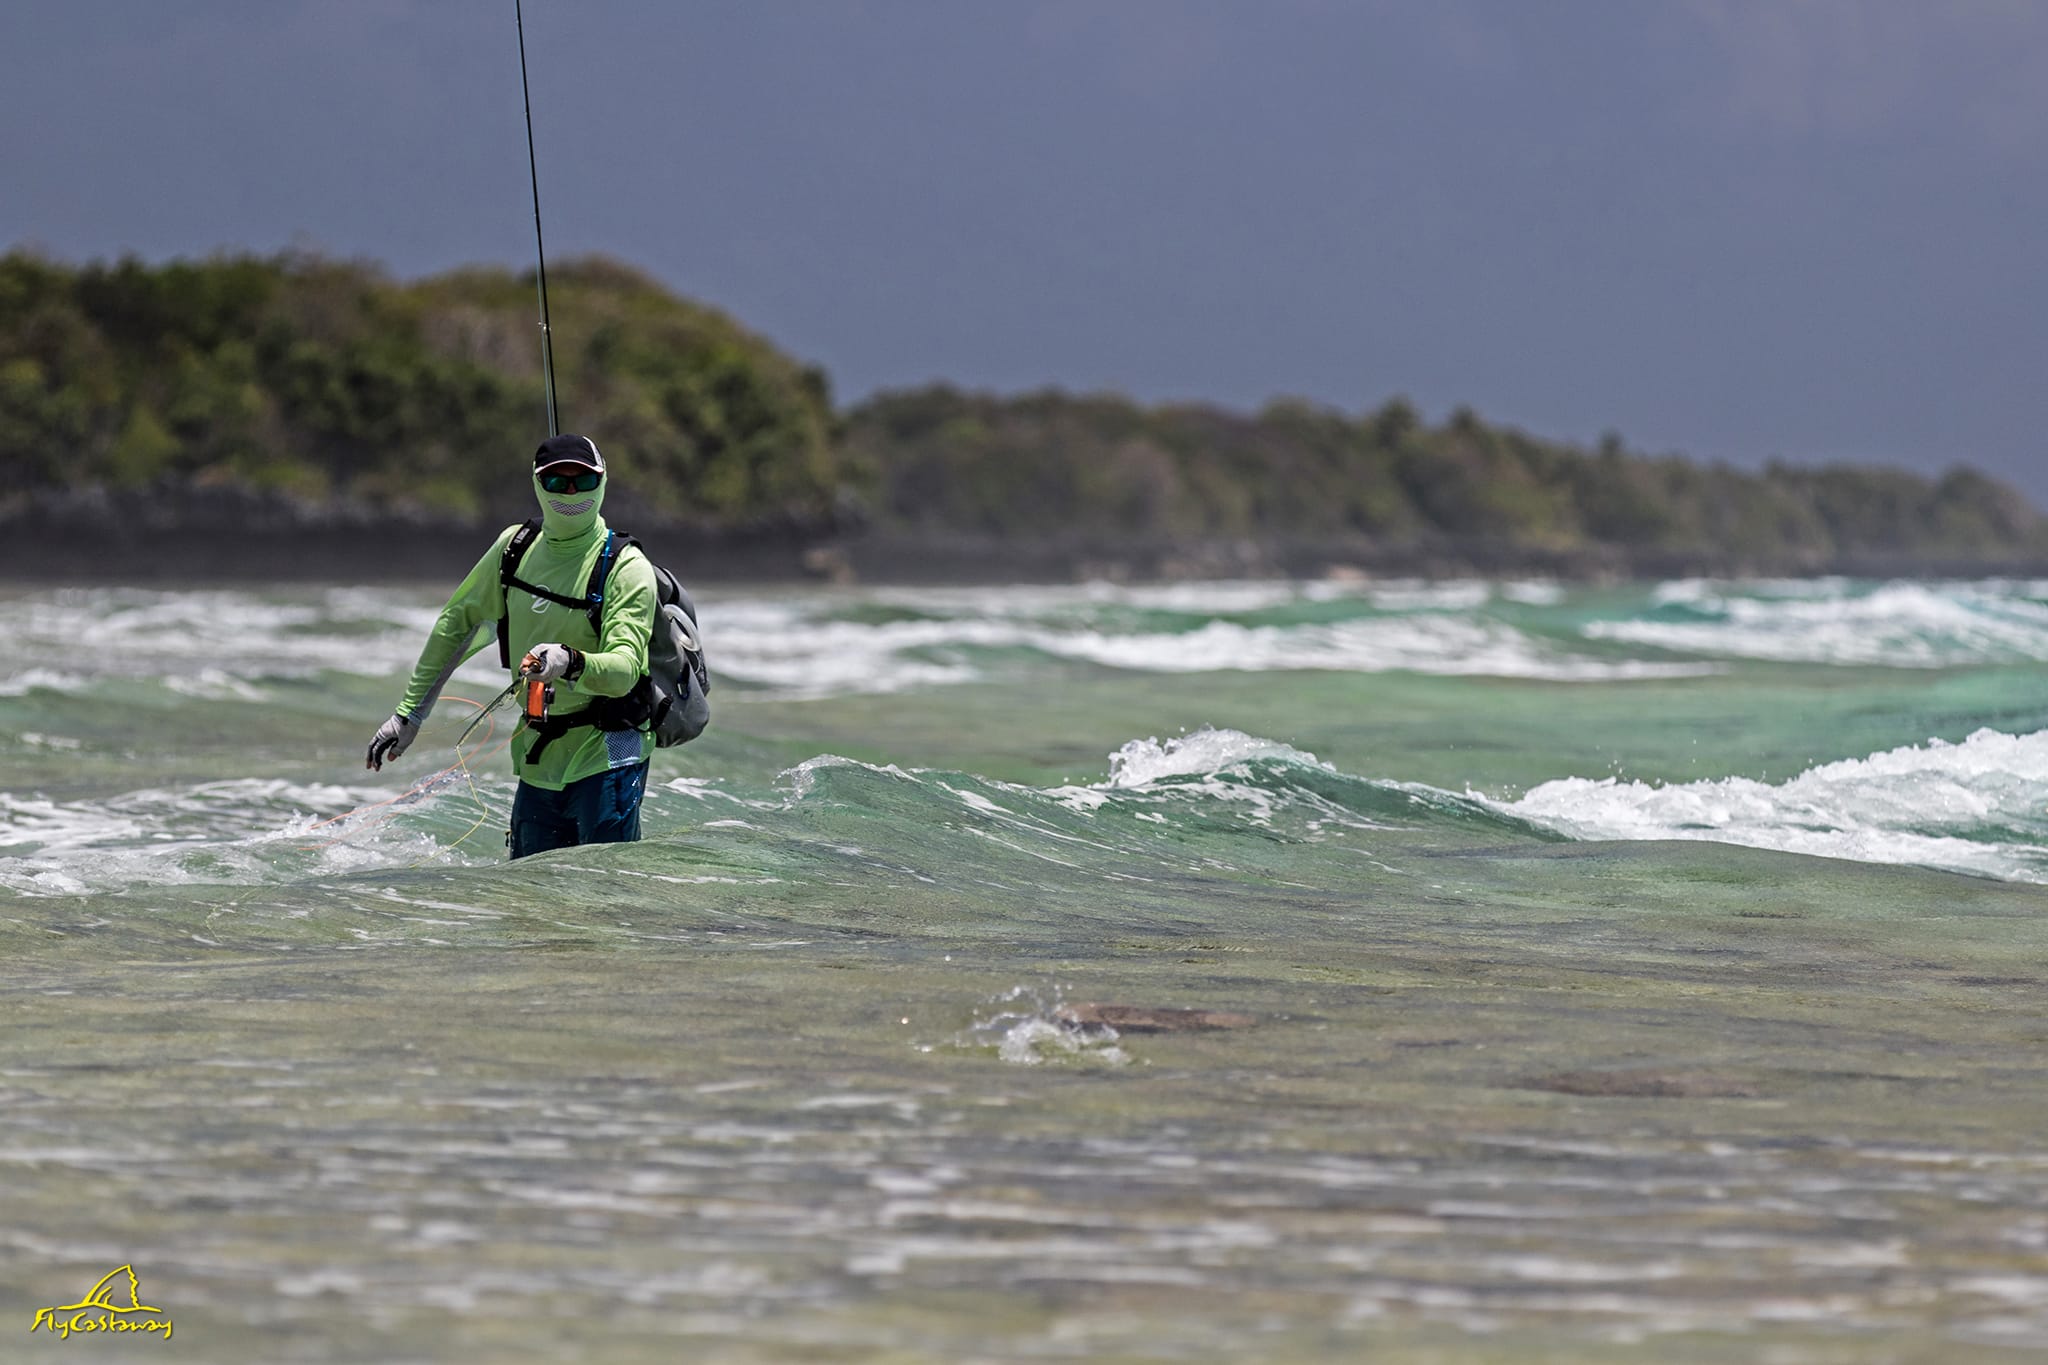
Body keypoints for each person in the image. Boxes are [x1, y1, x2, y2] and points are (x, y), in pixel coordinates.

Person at [365, 434, 658, 858]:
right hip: (539, 755)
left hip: (609, 752)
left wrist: (568, 661)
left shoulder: (627, 567)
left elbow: (625, 669)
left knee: (602, 899)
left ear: (603, 481)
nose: (571, 493)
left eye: (584, 481)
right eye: (558, 482)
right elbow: (456, 624)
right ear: (539, 485)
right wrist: (408, 715)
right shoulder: (514, 549)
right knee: (530, 899)